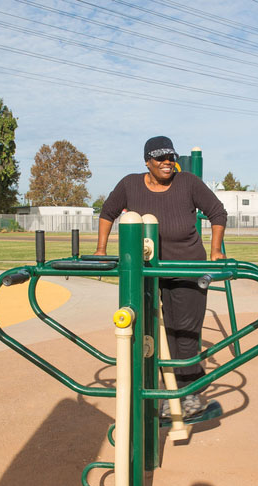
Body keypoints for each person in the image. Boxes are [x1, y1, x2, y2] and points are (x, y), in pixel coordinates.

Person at [95, 136, 227, 418]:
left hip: (185, 269)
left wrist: (216, 251)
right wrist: (100, 250)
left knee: (184, 332)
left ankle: (189, 394)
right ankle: (157, 390)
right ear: (147, 161)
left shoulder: (188, 182)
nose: (168, 162)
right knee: (149, 330)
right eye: (160, 158)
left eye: (171, 157)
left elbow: (217, 212)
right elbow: (108, 212)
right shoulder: (130, 184)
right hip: (148, 268)